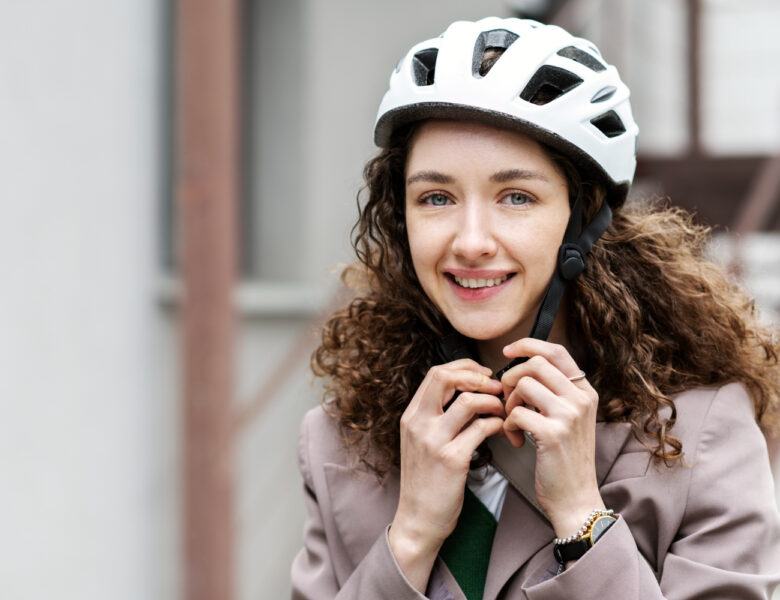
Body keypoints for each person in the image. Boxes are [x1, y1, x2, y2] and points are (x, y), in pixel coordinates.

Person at [291, 17, 780, 600]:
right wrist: (412, 534)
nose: (470, 241)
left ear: (582, 220)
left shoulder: (701, 429)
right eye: (436, 197)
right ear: (402, 220)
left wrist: (581, 515)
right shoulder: (338, 442)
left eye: (516, 196)